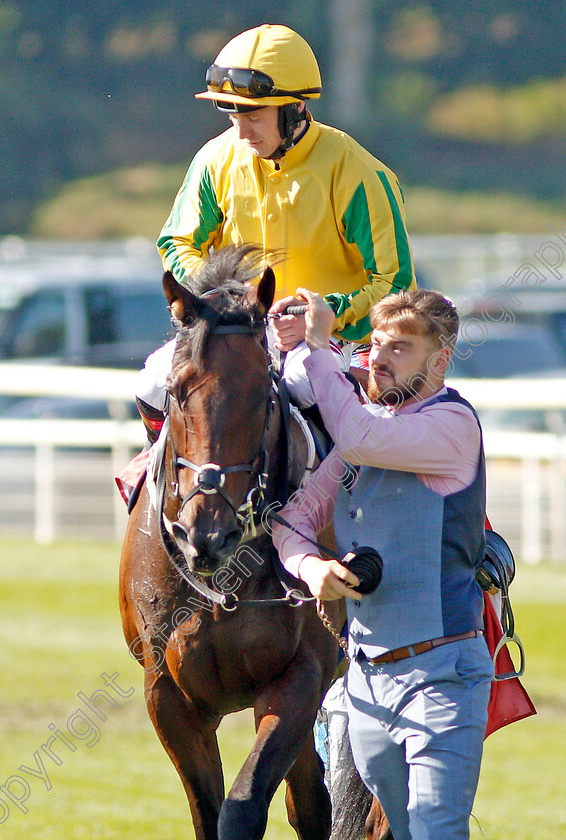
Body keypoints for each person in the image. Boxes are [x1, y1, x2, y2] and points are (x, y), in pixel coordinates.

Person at [272, 287, 495, 840]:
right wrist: (310, 570)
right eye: (374, 346)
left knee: (435, 830)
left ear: (438, 361)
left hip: (443, 676)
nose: (378, 359)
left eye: (400, 348)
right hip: (367, 680)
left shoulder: (452, 424)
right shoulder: (362, 437)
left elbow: (358, 433)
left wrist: (319, 347)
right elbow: (290, 524)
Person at [136, 22, 416, 428]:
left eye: (254, 116)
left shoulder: (357, 173)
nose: (241, 131)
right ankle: (158, 482)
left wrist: (321, 317)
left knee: (305, 384)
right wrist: (224, 301)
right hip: (232, 329)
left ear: (296, 106)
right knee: (152, 384)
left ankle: (344, 489)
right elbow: (177, 243)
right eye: (231, 113)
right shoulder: (215, 159)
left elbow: (395, 284)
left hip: (327, 341)